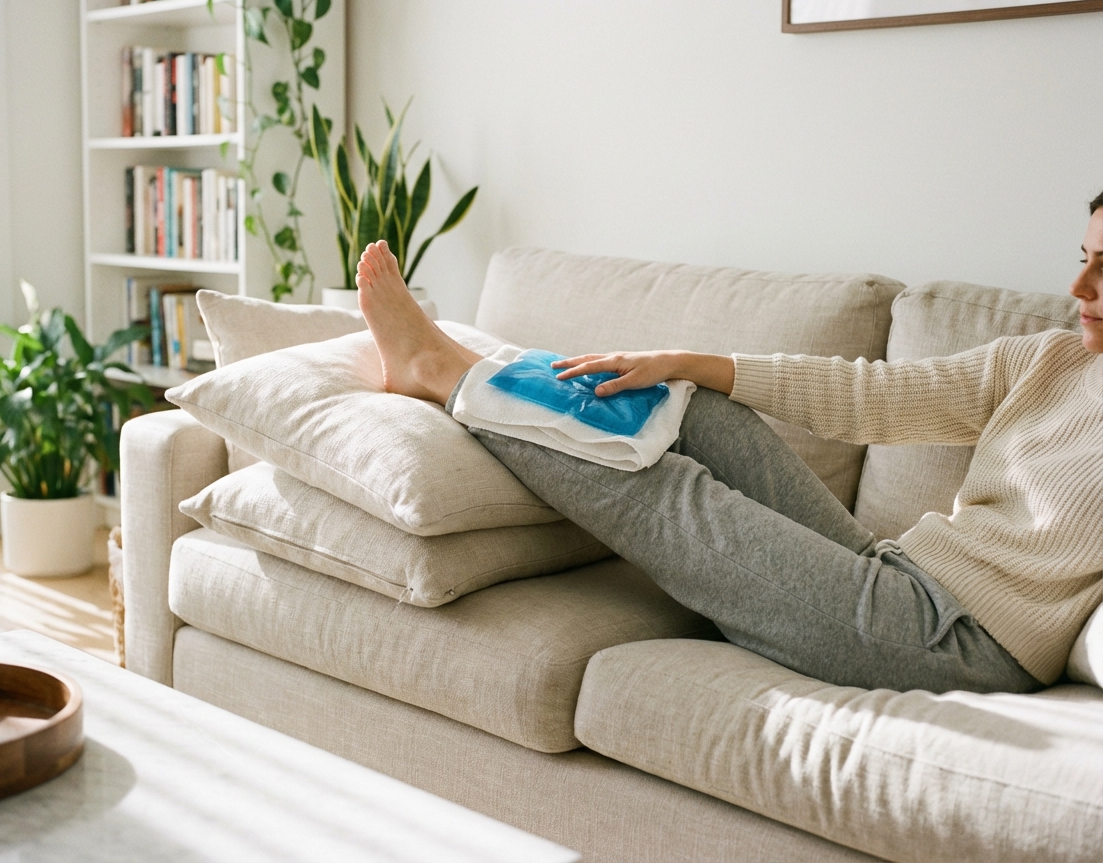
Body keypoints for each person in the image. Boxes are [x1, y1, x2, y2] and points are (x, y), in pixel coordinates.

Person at [352, 196, 1103, 695]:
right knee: (695, 407)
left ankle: (440, 372)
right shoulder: (1049, 359)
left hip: (960, 643)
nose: (1079, 286)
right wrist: (681, 359)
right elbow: (870, 397)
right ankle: (461, 370)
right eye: (1083, 255)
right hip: (898, 571)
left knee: (668, 496)